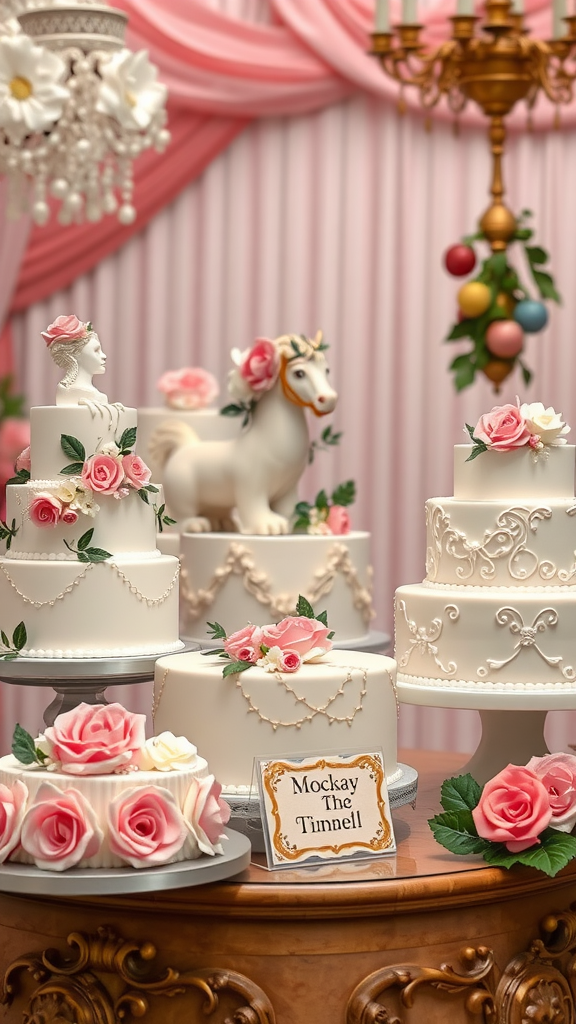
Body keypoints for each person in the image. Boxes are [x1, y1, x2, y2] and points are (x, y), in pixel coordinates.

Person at [41, 315, 110, 407]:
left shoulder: (96, 394)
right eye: (96, 350)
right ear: (75, 355)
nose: (104, 356)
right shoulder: (70, 391)